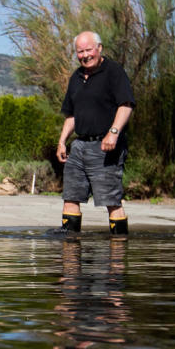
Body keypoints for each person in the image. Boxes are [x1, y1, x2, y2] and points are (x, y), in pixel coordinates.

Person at [56, 31, 135, 235]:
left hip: (105, 147)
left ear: (99, 48)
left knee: (111, 200)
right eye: (80, 51)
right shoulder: (76, 77)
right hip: (79, 146)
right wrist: (62, 141)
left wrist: (114, 133)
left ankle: (118, 254)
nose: (85, 55)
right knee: (70, 198)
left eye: (88, 49)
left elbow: (126, 105)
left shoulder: (114, 72)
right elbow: (71, 115)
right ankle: (71, 257)